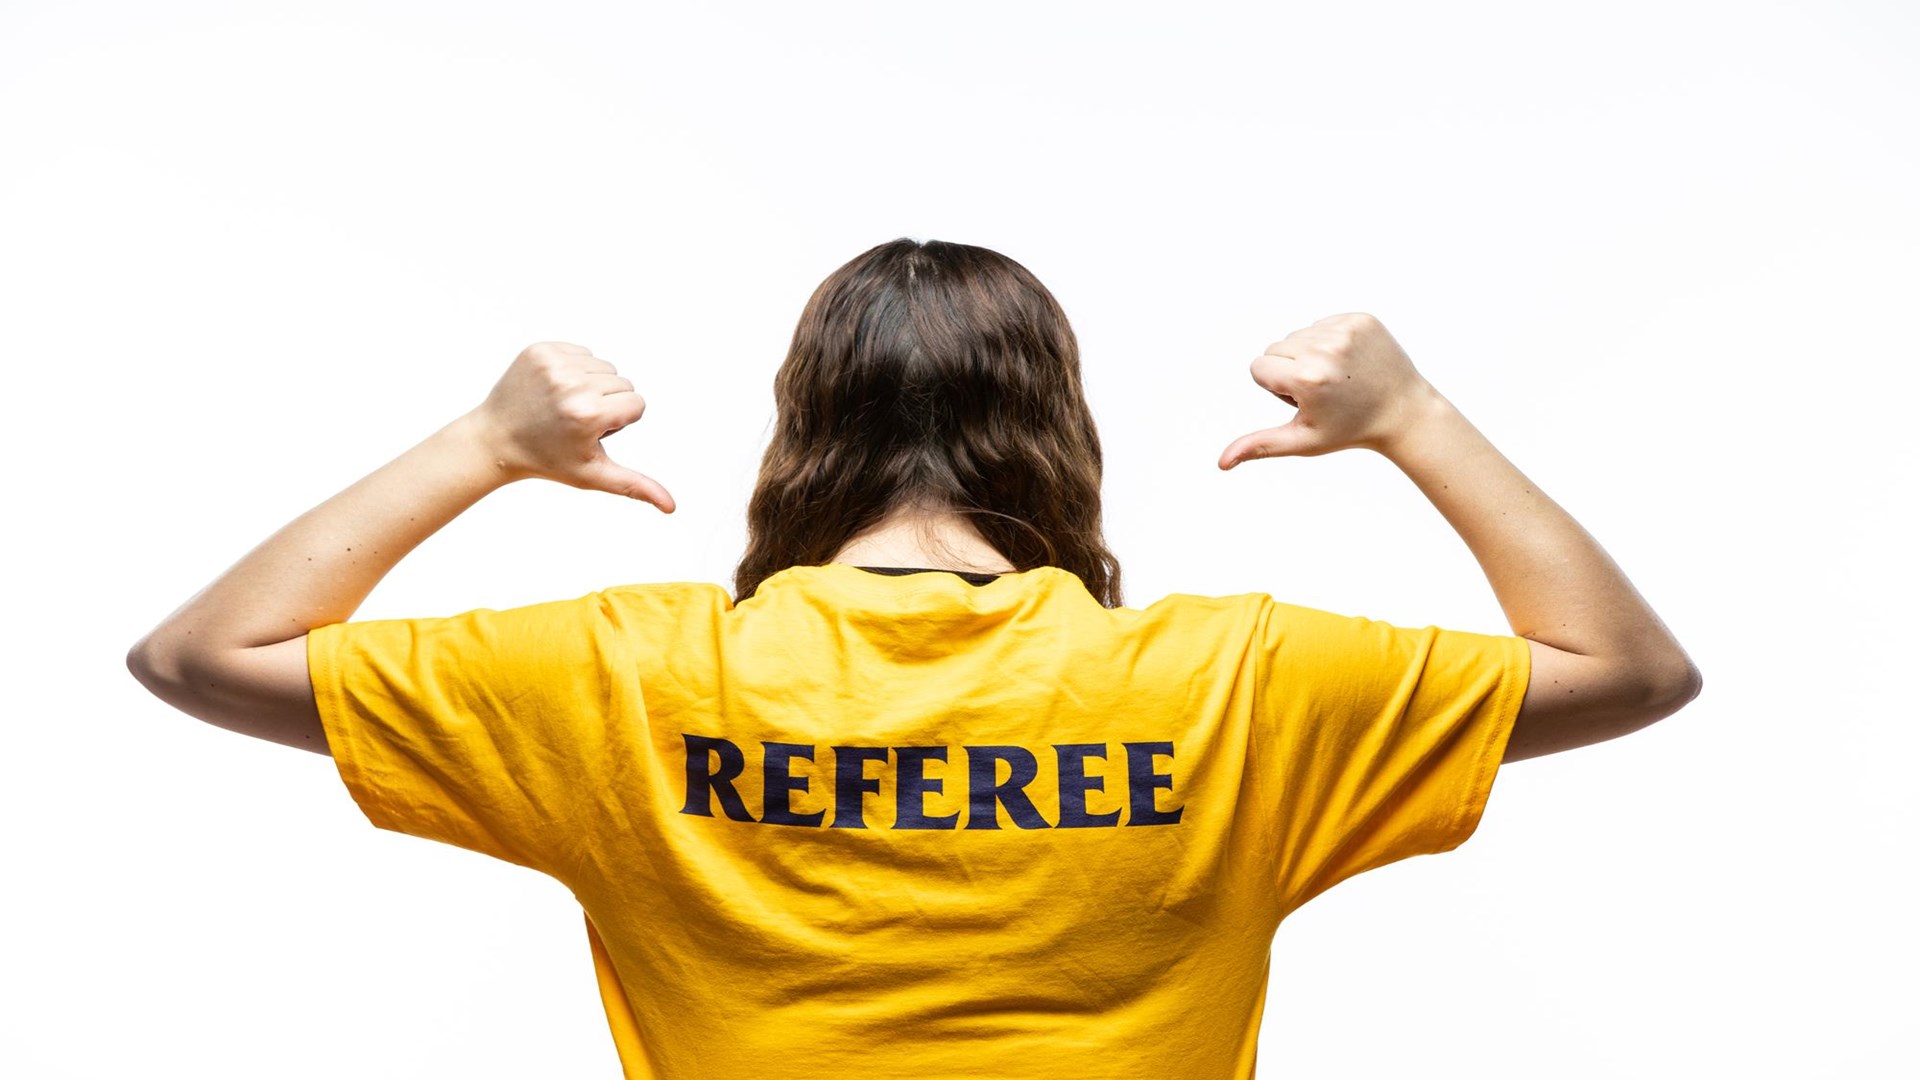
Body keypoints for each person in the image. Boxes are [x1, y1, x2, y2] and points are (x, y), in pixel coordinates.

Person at [126, 237, 1701, 1079]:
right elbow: (1627, 670)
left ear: (802, 429)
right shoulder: (1236, 684)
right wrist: (1414, 420)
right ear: (1061, 434)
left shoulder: (631, 676)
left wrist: (487, 444)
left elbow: (205, 655)